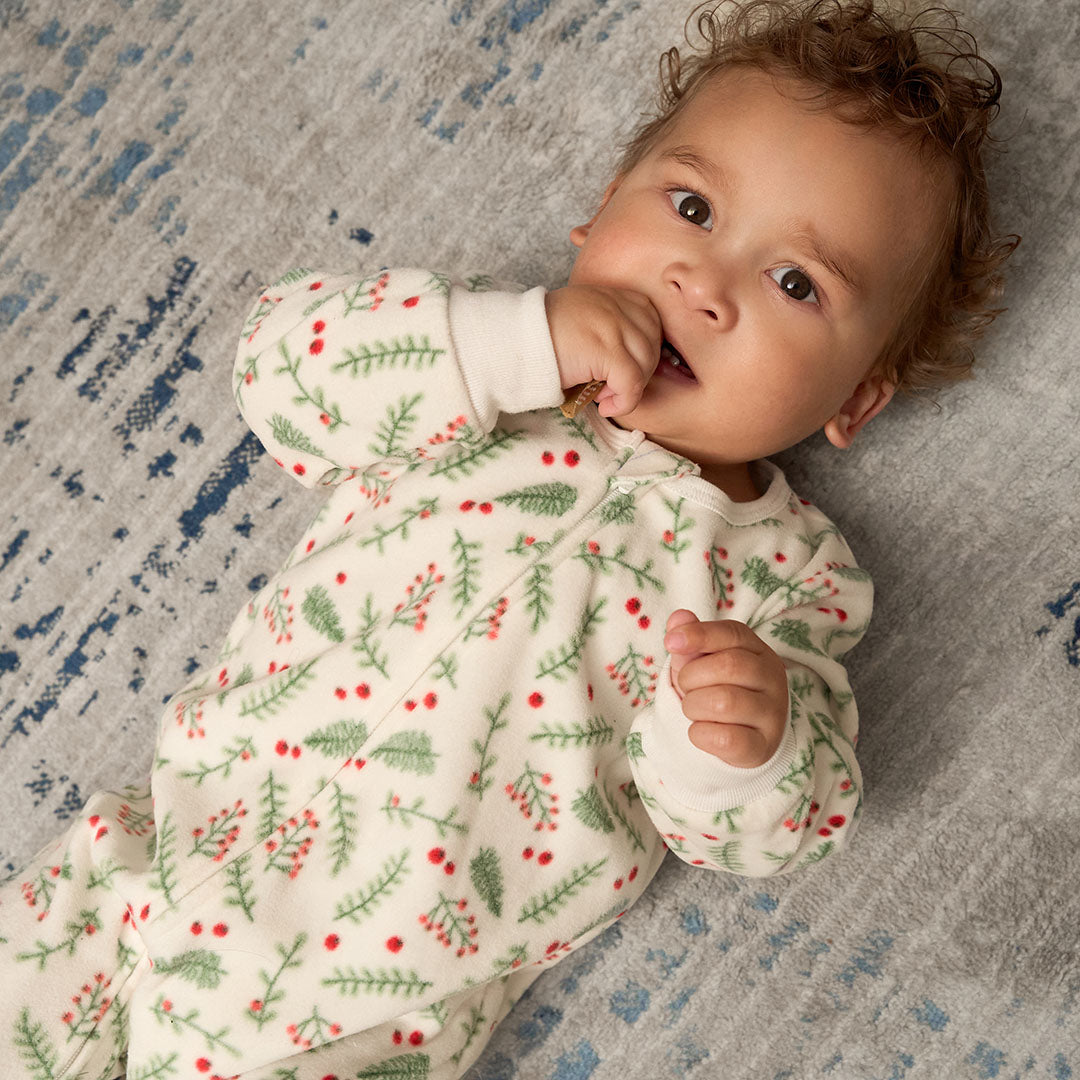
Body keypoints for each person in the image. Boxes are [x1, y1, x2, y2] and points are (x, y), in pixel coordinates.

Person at [1, 2, 1016, 1078]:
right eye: (690, 206)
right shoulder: (479, 371)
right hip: (150, 860)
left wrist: (741, 745)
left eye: (795, 283)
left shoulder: (783, 578)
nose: (703, 285)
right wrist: (512, 342)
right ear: (594, 218)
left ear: (853, 402)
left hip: (367, 1000)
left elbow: (781, 829)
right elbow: (286, 370)